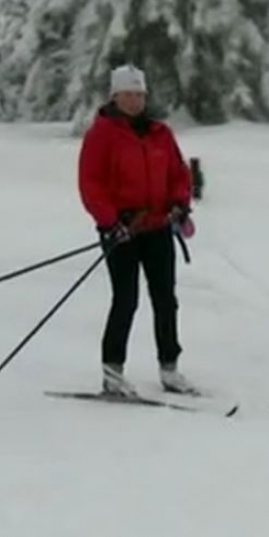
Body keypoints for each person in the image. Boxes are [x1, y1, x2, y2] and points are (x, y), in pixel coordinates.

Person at [77, 64, 196, 397]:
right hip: (121, 231)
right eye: (128, 94)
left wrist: (179, 203)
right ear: (115, 96)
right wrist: (110, 222)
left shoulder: (160, 132)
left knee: (165, 300)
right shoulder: (101, 134)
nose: (134, 100)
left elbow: (179, 173)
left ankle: (170, 368)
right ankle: (112, 372)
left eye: (139, 94)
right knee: (126, 300)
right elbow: (91, 184)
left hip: (157, 227)